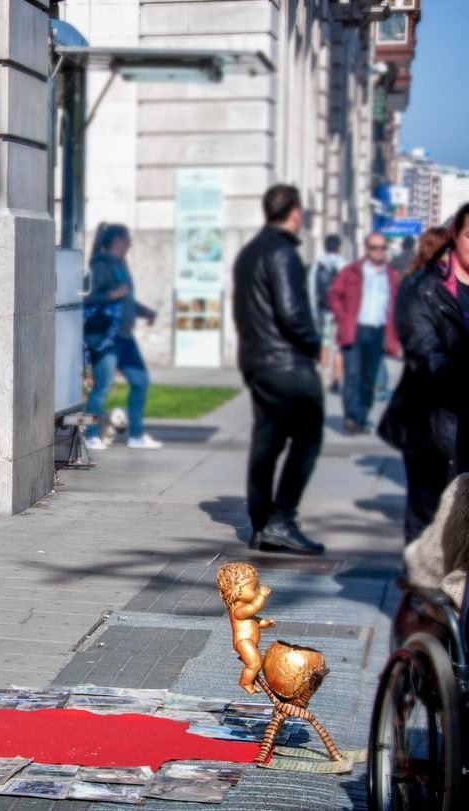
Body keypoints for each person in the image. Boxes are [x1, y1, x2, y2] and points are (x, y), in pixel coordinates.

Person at [232, 184, 325, 554]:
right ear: (296, 213)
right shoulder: (282, 253)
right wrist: (314, 344)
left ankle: (261, 524)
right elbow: (293, 313)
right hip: (286, 363)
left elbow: (243, 312)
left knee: (267, 442)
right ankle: (281, 520)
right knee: (308, 436)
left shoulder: (249, 253)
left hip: (258, 360)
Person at [378, 204, 469, 542]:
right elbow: (426, 353)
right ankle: (423, 592)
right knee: (429, 515)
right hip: (430, 422)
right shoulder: (424, 288)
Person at [81, 223, 161, 451]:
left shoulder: (121, 266)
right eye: (126, 240)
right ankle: (91, 434)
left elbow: (127, 301)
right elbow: (88, 297)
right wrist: (113, 294)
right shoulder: (101, 266)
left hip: (124, 336)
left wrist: (145, 312)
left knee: (140, 381)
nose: (129, 245)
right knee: (103, 386)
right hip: (108, 337)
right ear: (115, 241)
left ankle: (136, 435)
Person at [327, 233, 401, 434]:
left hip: (378, 332)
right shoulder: (351, 272)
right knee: (352, 375)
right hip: (354, 330)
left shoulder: (391, 275)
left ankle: (362, 415)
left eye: (382, 248)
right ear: (366, 249)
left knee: (369, 378)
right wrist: (343, 318)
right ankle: (351, 417)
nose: (378, 251)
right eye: (374, 247)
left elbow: (396, 304)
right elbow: (334, 295)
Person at [216, 562, 275, 693]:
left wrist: (265, 623)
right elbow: (254, 608)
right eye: (254, 588)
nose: (257, 590)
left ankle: (251, 679)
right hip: (243, 643)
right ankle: (245, 682)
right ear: (238, 590)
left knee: (258, 663)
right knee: (254, 663)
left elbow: (253, 620)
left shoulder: (244, 611)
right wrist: (262, 596)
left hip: (251, 643)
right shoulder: (237, 610)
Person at [310, 234, 344, 393]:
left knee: (324, 343)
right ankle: (336, 380)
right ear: (338, 247)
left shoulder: (317, 265)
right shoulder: (344, 264)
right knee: (339, 347)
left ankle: (322, 377)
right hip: (340, 312)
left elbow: (311, 290)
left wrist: (313, 311)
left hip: (322, 310)